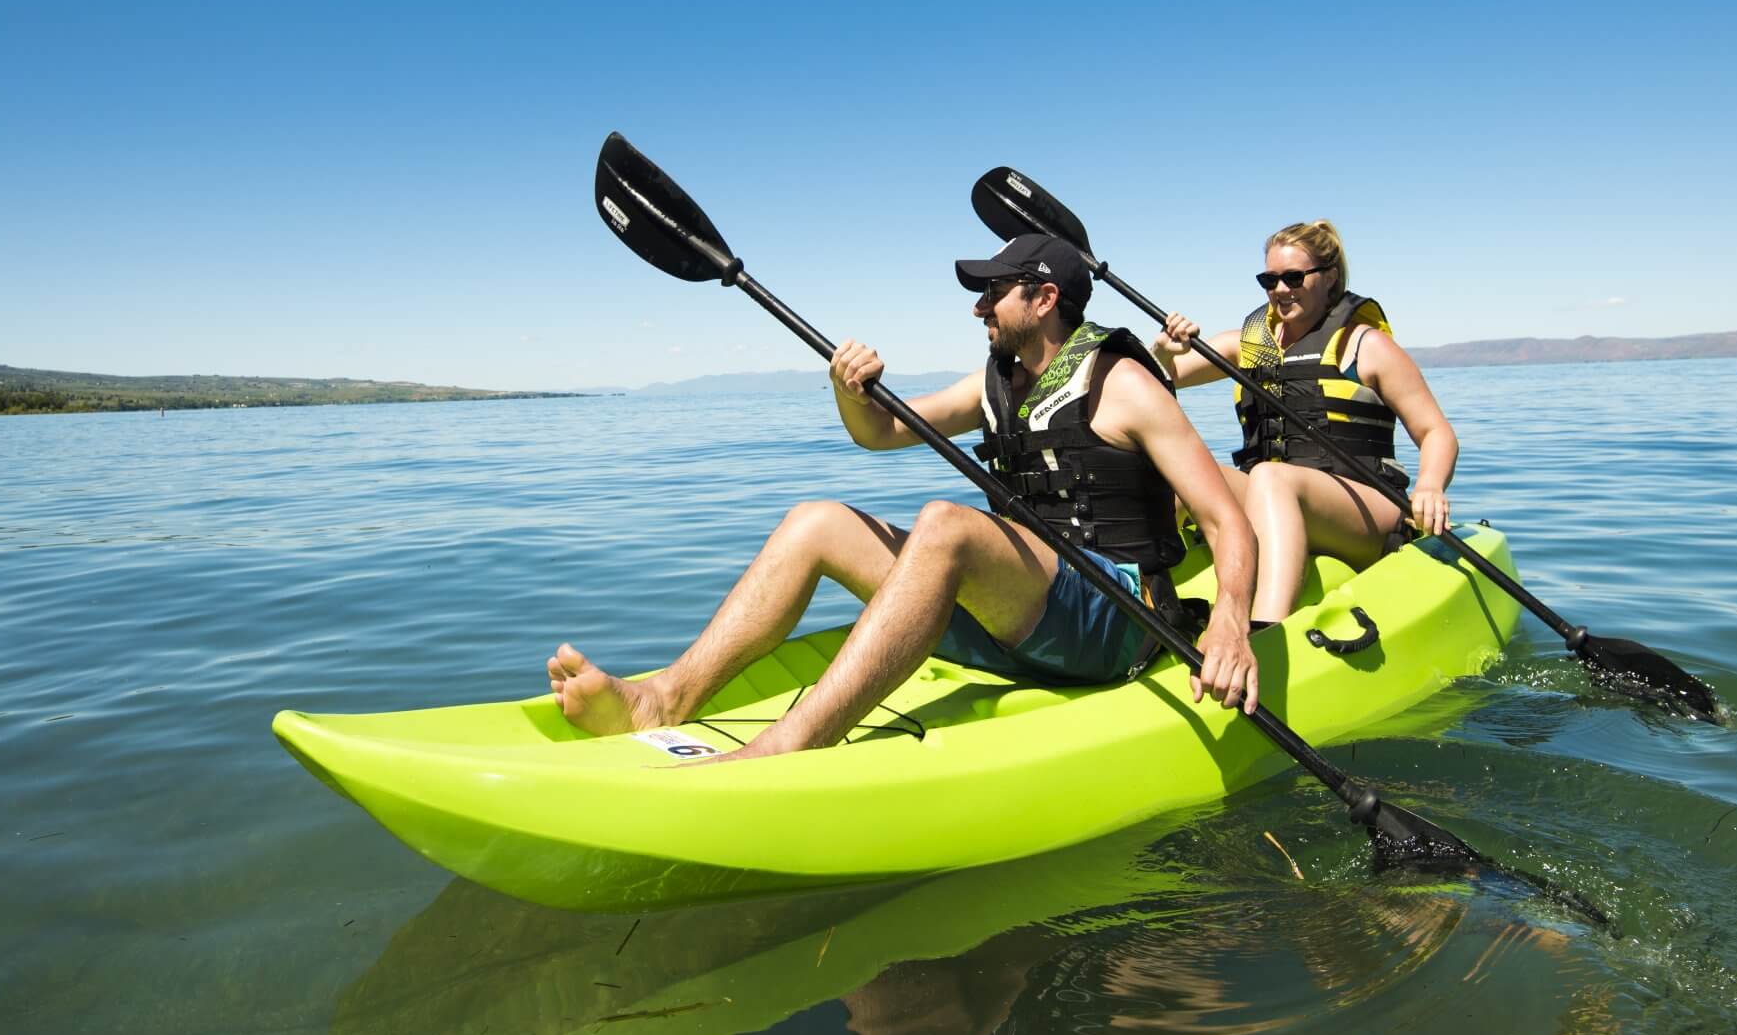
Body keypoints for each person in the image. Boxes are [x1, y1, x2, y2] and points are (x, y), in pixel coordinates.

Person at [548, 232, 1262, 762]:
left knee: (946, 526)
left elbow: (1227, 520)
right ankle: (664, 697)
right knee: (816, 522)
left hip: (1117, 622)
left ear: (1044, 299)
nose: (979, 304)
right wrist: (845, 387)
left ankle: (793, 743)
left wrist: (1229, 623)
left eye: (995, 289)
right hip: (1028, 617)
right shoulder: (994, 383)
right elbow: (879, 432)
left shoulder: (1125, 385)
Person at [1152, 220, 1456, 622]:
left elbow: (1436, 432)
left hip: (1362, 509)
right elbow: (1163, 378)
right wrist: (1164, 353)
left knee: (1272, 477)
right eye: (1270, 279)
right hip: (1272, 499)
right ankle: (1142, 605)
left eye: (1293, 277)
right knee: (1176, 469)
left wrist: (1430, 485)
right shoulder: (1250, 345)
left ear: (1328, 278)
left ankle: (1265, 628)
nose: (1280, 289)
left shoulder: (1365, 345)